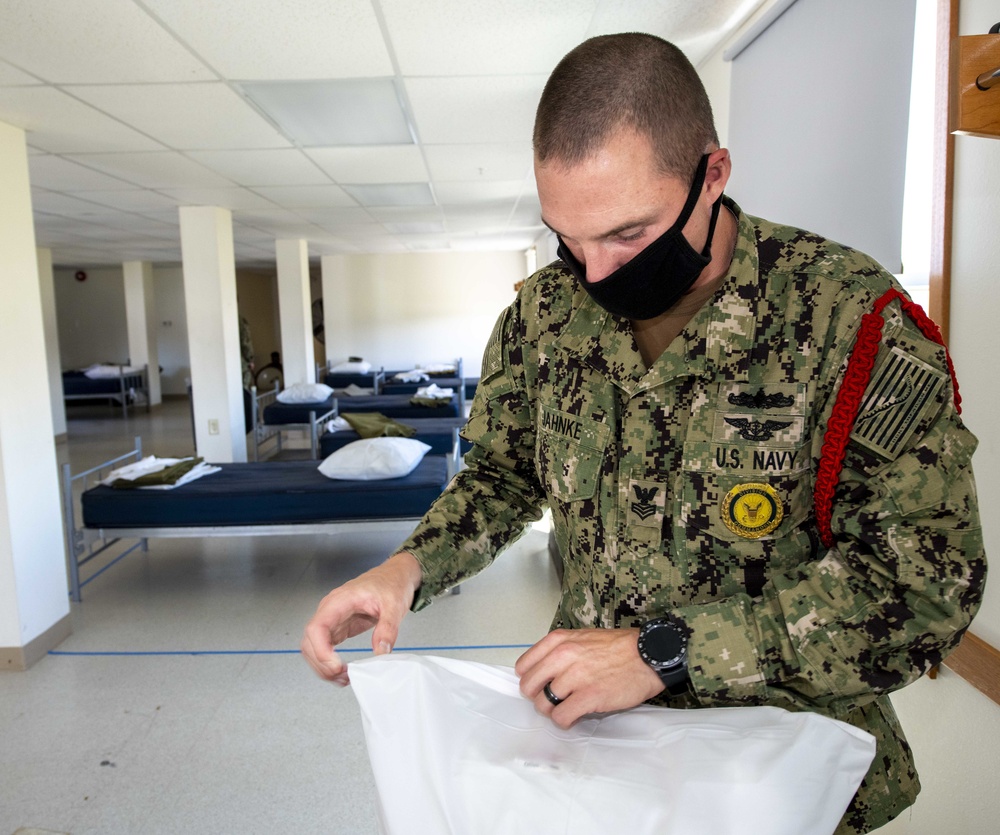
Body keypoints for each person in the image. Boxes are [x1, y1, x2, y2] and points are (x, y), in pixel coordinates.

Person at [301, 33, 986, 834]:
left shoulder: (850, 323)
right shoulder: (542, 320)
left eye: (626, 235)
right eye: (569, 238)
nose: (593, 274)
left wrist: (665, 652)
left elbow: (924, 586)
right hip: (595, 754)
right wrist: (408, 567)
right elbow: (504, 477)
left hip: (780, 765)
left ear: (713, 175)